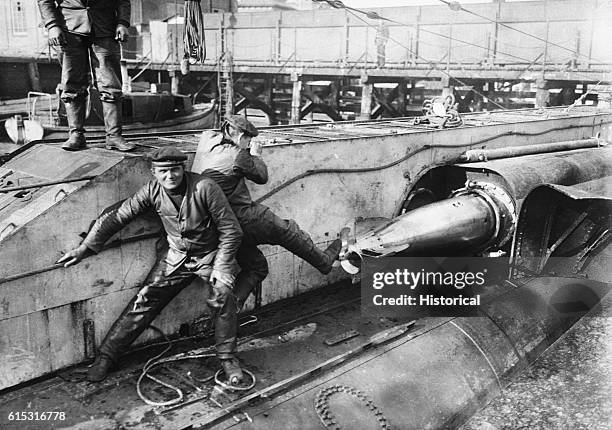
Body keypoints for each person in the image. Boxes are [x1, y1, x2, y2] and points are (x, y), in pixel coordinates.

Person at [58, 147, 244, 383]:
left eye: (175, 170)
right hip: (175, 257)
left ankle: (228, 359)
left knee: (223, 294)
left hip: (210, 256)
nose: (170, 176)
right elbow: (119, 215)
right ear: (153, 172)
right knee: (144, 300)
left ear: (183, 168)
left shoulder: (204, 187)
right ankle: (106, 357)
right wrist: (85, 247)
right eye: (163, 171)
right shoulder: (151, 190)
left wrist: (222, 267)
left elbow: (232, 231)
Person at [192, 115, 347, 310]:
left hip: (218, 227)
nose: (249, 142)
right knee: (288, 230)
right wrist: (255, 154)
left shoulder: (207, 140)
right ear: (238, 135)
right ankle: (324, 262)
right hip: (242, 217)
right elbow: (262, 176)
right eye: (247, 138)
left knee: (257, 267)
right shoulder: (238, 154)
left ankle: (228, 311)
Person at [37, 0, 135, 152]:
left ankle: (114, 136)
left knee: (111, 84)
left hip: (105, 28)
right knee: (72, 83)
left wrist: (123, 23)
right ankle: (76, 135)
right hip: (68, 28)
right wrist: (52, 25)